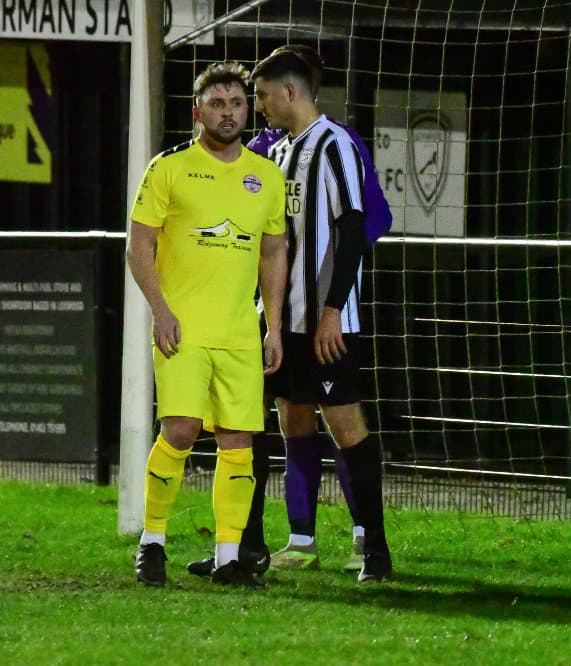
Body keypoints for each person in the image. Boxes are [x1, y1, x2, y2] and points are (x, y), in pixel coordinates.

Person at [128, 61, 288, 588]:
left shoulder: (266, 176)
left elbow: (273, 252)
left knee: (239, 439)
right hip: (183, 327)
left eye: (237, 103)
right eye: (217, 104)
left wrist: (274, 326)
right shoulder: (169, 168)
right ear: (197, 112)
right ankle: (152, 541)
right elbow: (139, 245)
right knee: (180, 428)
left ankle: (227, 557)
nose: (228, 112)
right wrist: (161, 310)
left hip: (239, 330)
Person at [244, 46, 393, 574]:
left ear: (290, 91)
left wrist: (332, 311)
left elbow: (354, 229)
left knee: (346, 425)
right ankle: (297, 540)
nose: (258, 105)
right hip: (285, 323)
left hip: (328, 323)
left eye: (263, 95)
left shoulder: (335, 144)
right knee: (290, 420)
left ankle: (375, 549)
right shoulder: (283, 152)